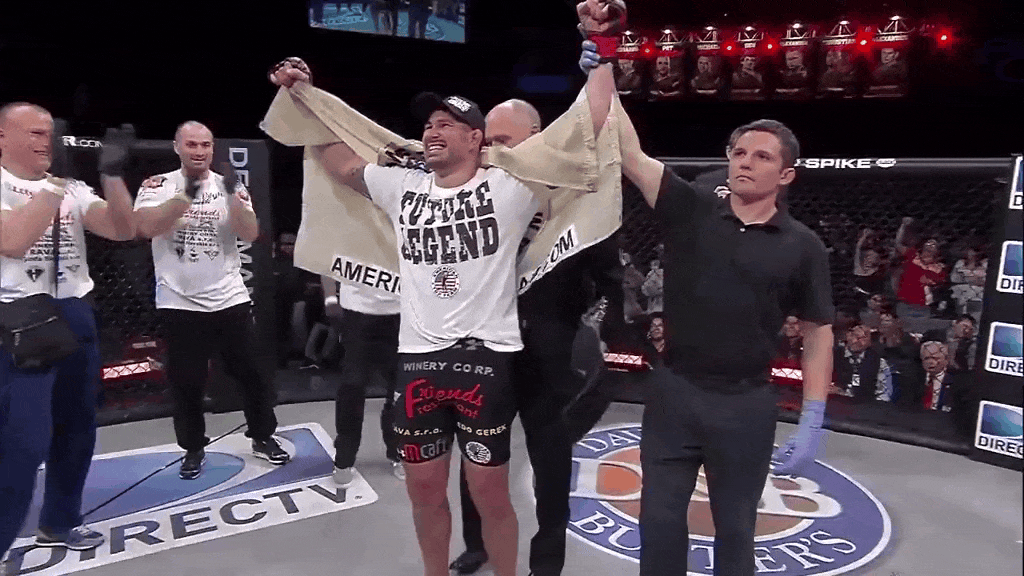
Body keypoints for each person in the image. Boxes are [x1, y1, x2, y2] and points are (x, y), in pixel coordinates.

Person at [268, 5, 617, 574]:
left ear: (476, 139)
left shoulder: (510, 185)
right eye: (428, 124)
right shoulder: (400, 186)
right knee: (425, 493)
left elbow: (588, 125)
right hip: (417, 361)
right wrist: (303, 96)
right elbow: (340, 162)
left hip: (487, 360)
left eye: (447, 124)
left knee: (490, 495)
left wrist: (601, 49)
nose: (432, 130)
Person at [585, 40, 835, 575]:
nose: (746, 162)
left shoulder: (803, 246)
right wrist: (603, 61)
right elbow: (626, 151)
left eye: (762, 157)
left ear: (786, 175)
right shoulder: (693, 206)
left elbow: (818, 331)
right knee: (658, 522)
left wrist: (813, 414)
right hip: (675, 390)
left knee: (737, 529)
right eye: (739, 152)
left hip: (746, 403)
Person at [448, 98, 626, 576]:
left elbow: (608, 272)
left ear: (537, 138)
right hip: (487, 348)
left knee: (550, 461)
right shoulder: (475, 194)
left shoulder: (576, 197)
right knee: (479, 452)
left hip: (550, 351)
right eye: (488, 143)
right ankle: (477, 545)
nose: (494, 152)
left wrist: (609, 331)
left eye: (504, 142)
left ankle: (547, 565)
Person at [1, 103, 135, 558]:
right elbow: (13, 241)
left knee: (77, 428)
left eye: (50, 133)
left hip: (74, 312)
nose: (47, 141)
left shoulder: (74, 188)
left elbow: (121, 229)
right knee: (23, 441)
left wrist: (112, 176)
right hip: (16, 320)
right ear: (2, 137)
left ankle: (60, 522)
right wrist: (54, 183)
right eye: (36, 133)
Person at [133, 121, 290, 480]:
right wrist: (185, 195)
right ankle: (193, 448)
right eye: (192, 144)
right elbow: (146, 227)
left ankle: (263, 436)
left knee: (252, 374)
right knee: (186, 381)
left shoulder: (229, 185)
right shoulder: (158, 185)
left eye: (205, 145)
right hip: (178, 300)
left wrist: (235, 199)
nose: (199, 151)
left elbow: (250, 233)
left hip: (229, 296)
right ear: (177, 147)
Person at [323, 272, 404, 486]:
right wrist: (330, 298)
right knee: (352, 387)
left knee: (400, 388)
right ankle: (344, 458)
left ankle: (399, 452)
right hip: (356, 312)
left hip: (401, 311)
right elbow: (325, 258)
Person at [832, 323, 893, 403]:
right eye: (855, 336)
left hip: (865, 406)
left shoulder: (878, 362)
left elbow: (885, 393)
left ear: (870, 341)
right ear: (847, 336)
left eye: (863, 338)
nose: (856, 341)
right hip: (836, 403)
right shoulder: (833, 356)